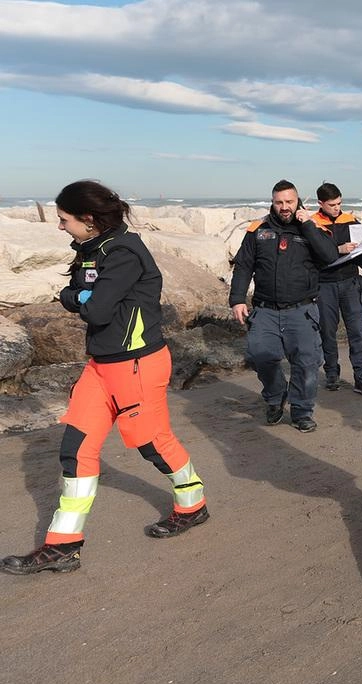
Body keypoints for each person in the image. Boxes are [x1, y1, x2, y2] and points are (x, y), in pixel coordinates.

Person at [2, 180, 208, 575]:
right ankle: (62, 546)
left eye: (64, 220)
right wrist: (81, 297)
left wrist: (79, 298)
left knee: (153, 443)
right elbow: (80, 295)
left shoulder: (125, 252)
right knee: (75, 449)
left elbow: (93, 309)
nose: (60, 227)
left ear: (89, 219)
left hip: (137, 366)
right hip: (100, 366)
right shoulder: (92, 249)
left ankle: (193, 503)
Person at [229, 180, 339, 432]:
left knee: (306, 363)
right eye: (279, 202)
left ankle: (301, 411)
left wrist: (308, 224)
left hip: (302, 310)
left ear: (298, 201)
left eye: (289, 201)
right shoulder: (258, 230)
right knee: (259, 356)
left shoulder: (313, 227)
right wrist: (237, 300)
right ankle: (276, 396)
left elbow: (330, 256)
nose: (284, 207)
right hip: (265, 310)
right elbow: (244, 266)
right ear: (273, 203)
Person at [311, 182, 362, 396]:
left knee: (358, 332)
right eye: (332, 204)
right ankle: (332, 374)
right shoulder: (312, 224)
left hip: (351, 282)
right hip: (324, 285)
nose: (337, 208)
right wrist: (337, 249)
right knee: (327, 332)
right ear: (320, 203)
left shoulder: (350, 220)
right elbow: (308, 254)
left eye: (339, 203)